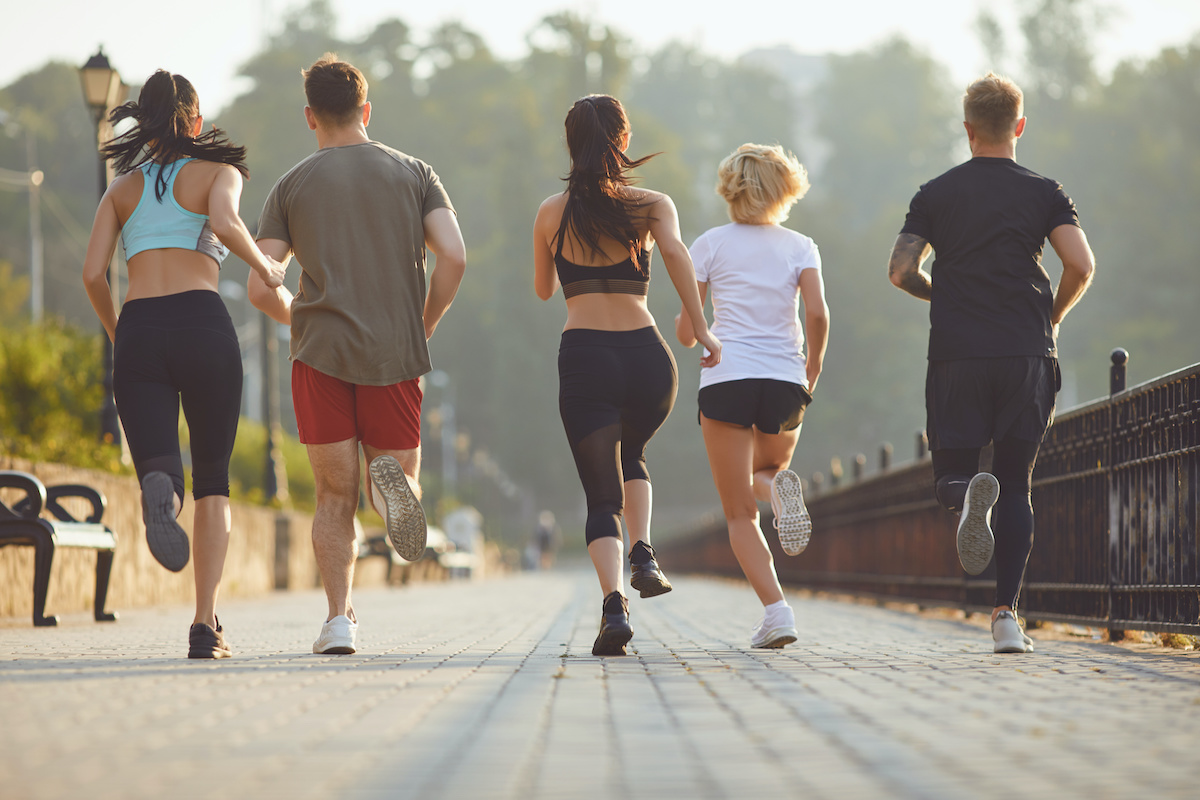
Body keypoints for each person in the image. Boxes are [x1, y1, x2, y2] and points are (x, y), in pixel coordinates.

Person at [248, 54, 466, 656]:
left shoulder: (291, 185)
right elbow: (454, 256)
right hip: (394, 350)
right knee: (396, 480)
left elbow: (260, 285)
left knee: (331, 497)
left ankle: (338, 621)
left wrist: (303, 316)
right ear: (365, 110)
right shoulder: (415, 172)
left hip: (320, 354)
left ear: (310, 117)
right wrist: (422, 323)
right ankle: (391, 489)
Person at [81, 70, 287, 659]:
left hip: (141, 329)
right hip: (203, 324)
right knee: (214, 483)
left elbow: (93, 275)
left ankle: (160, 492)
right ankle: (204, 626)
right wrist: (268, 270)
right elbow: (225, 223)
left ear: (142, 124)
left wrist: (122, 334)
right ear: (196, 122)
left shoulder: (121, 188)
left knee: (163, 469)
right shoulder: (219, 172)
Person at [887, 73, 1095, 654]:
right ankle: (1006, 618)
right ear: (1019, 127)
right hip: (1026, 352)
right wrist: (1051, 317)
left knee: (951, 474)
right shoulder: (1045, 191)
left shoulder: (935, 193)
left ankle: (963, 492)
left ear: (967, 130)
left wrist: (944, 294)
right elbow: (1080, 264)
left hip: (958, 353)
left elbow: (900, 270)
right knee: (1017, 485)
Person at [533, 94, 721, 656]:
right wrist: (703, 330)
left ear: (572, 144)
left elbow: (543, 290)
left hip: (586, 357)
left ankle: (614, 606)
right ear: (623, 141)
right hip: (646, 357)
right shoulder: (651, 203)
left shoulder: (551, 211)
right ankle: (643, 550)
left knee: (599, 497)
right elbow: (678, 257)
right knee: (633, 452)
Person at [675, 144, 829, 649]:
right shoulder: (801, 245)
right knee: (767, 473)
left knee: (739, 512)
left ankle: (777, 612)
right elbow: (818, 316)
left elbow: (686, 328)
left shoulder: (710, 244)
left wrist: (695, 330)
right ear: (785, 190)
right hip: (785, 378)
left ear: (729, 189)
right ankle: (783, 500)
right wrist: (812, 365)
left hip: (728, 375)